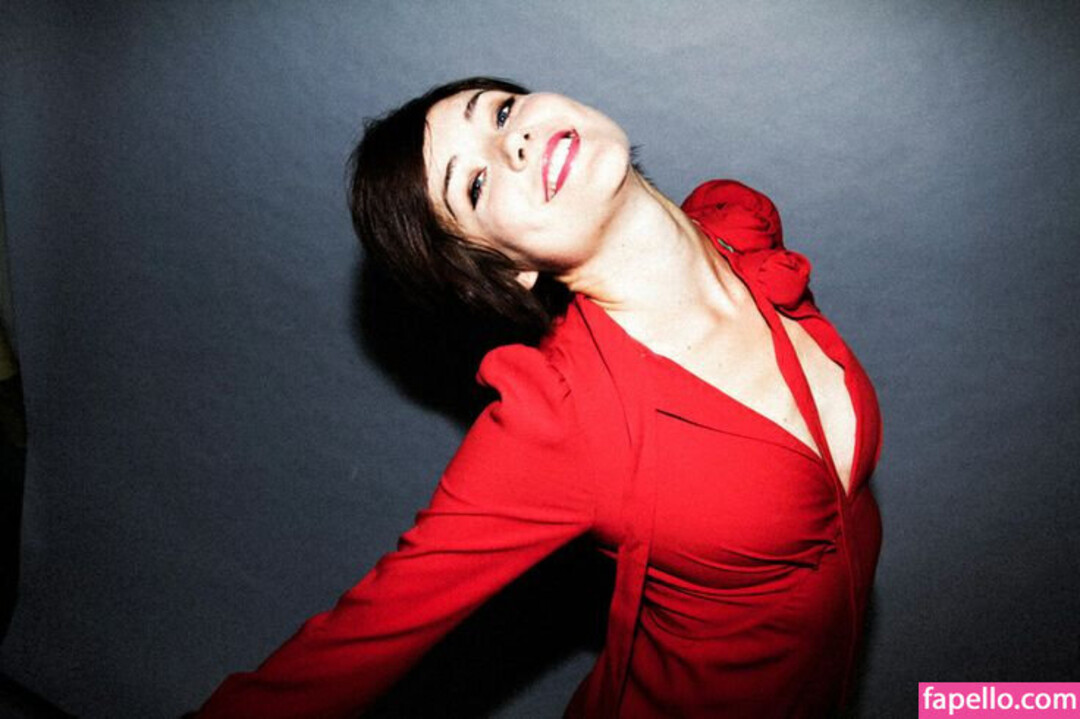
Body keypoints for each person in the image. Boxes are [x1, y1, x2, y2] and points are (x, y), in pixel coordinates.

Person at [194, 77, 883, 718]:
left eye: (499, 112)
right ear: (505, 269)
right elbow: (358, 641)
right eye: (474, 185)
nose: (512, 143)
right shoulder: (561, 415)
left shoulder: (739, 228)